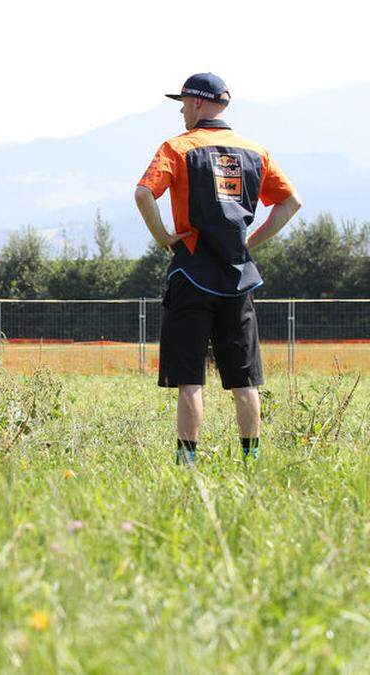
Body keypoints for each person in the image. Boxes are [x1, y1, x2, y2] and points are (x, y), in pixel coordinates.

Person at [134, 73, 302, 464]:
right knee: (245, 382)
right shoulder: (255, 151)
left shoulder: (177, 148)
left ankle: (188, 463)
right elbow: (290, 203)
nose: (180, 110)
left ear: (196, 103)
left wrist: (163, 236)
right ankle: (251, 460)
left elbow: (144, 192)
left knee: (191, 379)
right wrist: (249, 242)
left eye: (182, 103)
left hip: (191, 274)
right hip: (238, 277)